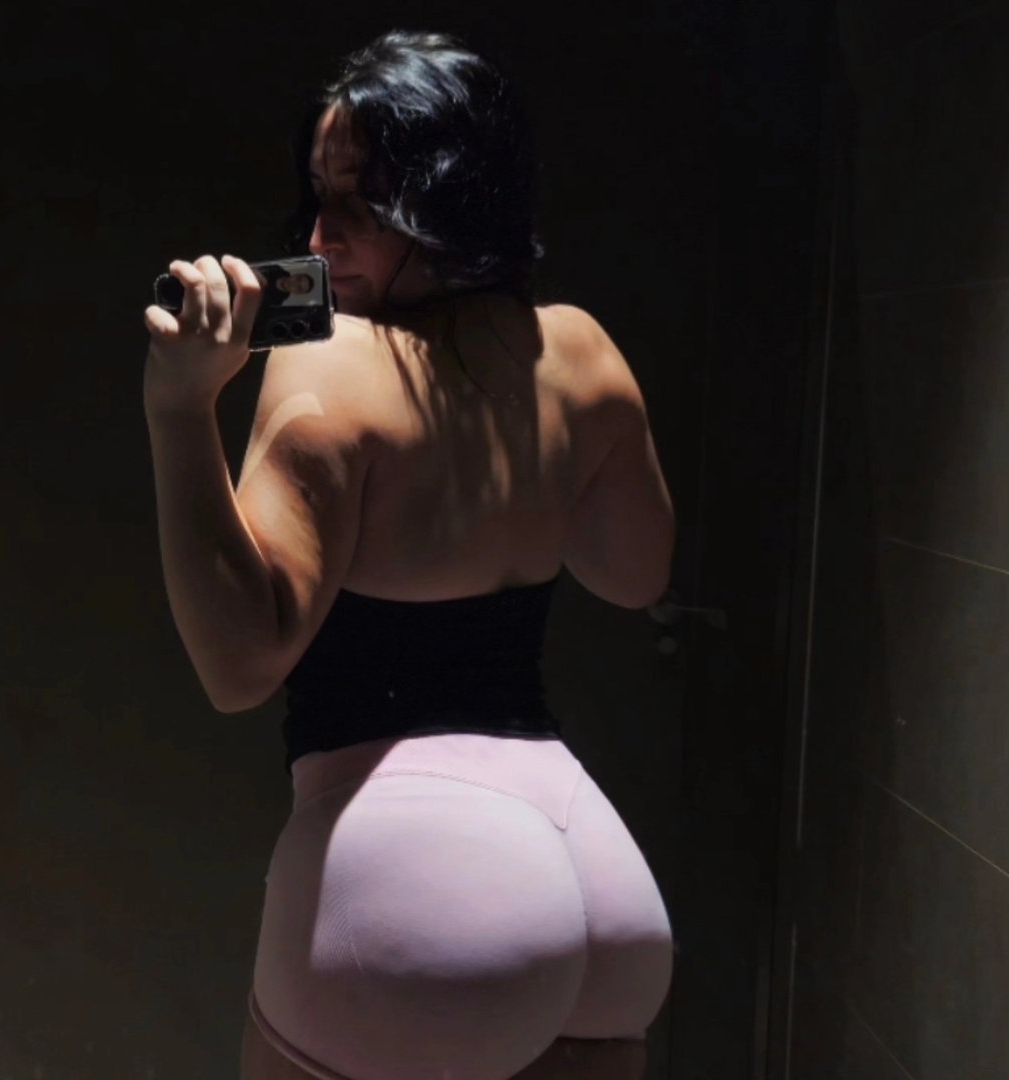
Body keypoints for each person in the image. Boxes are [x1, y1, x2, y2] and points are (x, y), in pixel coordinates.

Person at [142, 29, 676, 1080]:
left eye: (365, 200)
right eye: (319, 196)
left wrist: (179, 410)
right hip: (600, 884)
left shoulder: (332, 358)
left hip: (418, 882)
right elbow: (632, 575)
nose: (321, 235)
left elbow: (238, 665)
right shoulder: (579, 350)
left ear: (452, 199)